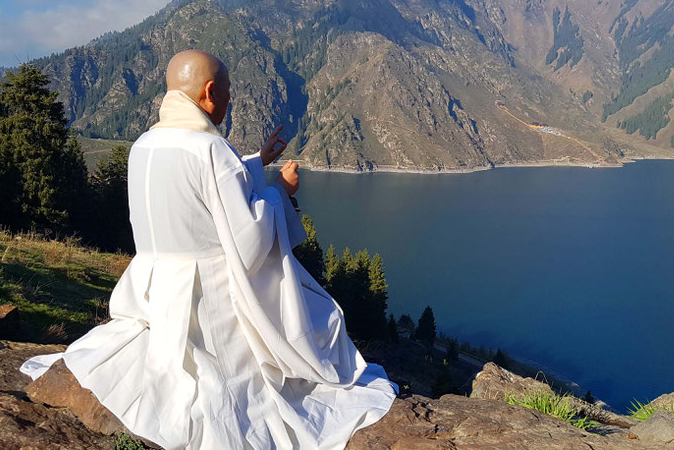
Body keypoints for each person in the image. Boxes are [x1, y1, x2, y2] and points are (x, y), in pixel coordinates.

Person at [20, 49, 398, 449]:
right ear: (209, 91)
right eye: (229, 91)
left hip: (158, 290)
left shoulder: (145, 144)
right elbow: (249, 245)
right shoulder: (212, 150)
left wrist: (256, 161)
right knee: (318, 327)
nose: (231, 100)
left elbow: (201, 192)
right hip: (210, 299)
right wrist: (280, 193)